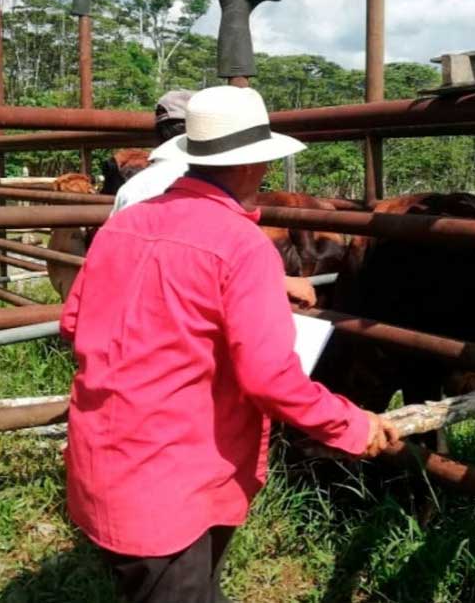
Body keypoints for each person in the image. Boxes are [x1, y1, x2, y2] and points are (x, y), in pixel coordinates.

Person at [60, 86, 400, 603]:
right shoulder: (241, 246)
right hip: (174, 478)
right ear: (251, 165)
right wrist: (352, 424)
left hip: (105, 458)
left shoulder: (124, 226)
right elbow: (270, 378)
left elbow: (74, 322)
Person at [111, 89, 316, 309]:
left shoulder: (123, 214)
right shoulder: (243, 243)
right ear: (250, 166)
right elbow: (262, 341)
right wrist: (270, 280)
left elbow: (74, 317)